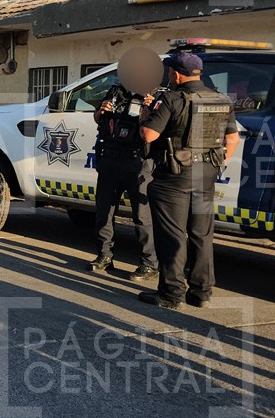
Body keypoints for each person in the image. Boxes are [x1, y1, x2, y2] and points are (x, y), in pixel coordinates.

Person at [137, 52, 240, 309]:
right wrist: (213, 161)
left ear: (176, 74)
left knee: (172, 236)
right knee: (201, 234)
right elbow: (233, 139)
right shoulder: (221, 99)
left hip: (174, 177)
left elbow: (149, 135)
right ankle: (201, 292)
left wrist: (146, 114)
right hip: (206, 176)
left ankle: (171, 293)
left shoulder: (171, 98)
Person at [88, 83, 158, 279]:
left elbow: (155, 131)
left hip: (138, 162)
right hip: (110, 158)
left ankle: (149, 263)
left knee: (142, 217)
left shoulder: (156, 95)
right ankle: (104, 255)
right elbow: (98, 120)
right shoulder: (115, 92)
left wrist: (149, 108)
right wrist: (101, 111)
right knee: (104, 212)